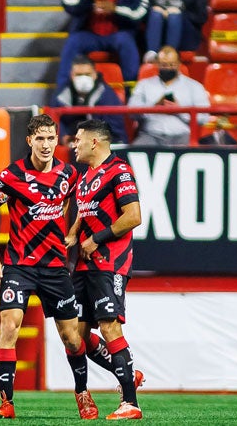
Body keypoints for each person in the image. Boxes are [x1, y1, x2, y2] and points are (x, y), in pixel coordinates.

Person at [0, 115, 95, 420]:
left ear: (58, 140)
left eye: (51, 138)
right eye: (40, 139)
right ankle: (6, 402)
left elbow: (77, 205)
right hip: (18, 265)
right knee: (9, 326)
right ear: (30, 141)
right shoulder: (12, 174)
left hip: (55, 267)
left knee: (71, 337)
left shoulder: (69, 174)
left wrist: (71, 234)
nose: (46, 145)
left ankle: (82, 393)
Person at [66, 118, 144, 420]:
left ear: (94, 142)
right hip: (85, 265)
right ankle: (128, 373)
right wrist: (74, 233)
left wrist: (96, 239)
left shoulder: (119, 171)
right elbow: (85, 212)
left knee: (110, 326)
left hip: (110, 262)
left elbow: (133, 215)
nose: (74, 144)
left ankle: (131, 403)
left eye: (78, 139)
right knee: (78, 337)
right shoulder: (86, 177)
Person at [57, 0, 148, 89]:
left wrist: (115, 9)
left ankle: (130, 93)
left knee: (126, 42)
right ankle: (62, 95)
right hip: (90, 35)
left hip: (118, 34)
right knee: (73, 41)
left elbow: (141, 11)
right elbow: (67, 2)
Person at [128, 45, 210, 145]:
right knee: (136, 151)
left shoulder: (194, 86)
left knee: (191, 152)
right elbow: (131, 112)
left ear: (179, 64)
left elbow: (204, 118)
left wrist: (180, 111)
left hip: (182, 137)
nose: (168, 68)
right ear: (157, 64)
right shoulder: (144, 85)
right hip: (150, 136)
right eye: (164, 65)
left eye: (172, 65)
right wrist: (153, 108)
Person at [51, 54, 129, 145]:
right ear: (71, 75)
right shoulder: (62, 94)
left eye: (87, 74)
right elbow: (54, 120)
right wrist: (63, 136)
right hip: (72, 143)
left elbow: (115, 130)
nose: (83, 79)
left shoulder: (107, 96)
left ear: (95, 74)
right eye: (79, 75)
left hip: (101, 143)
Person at [142, 0, 208, 63]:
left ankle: (170, 56)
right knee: (155, 13)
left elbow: (201, 16)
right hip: (158, 31)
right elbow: (143, 11)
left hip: (185, 34)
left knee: (174, 16)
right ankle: (151, 55)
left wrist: (180, 13)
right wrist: (155, 10)